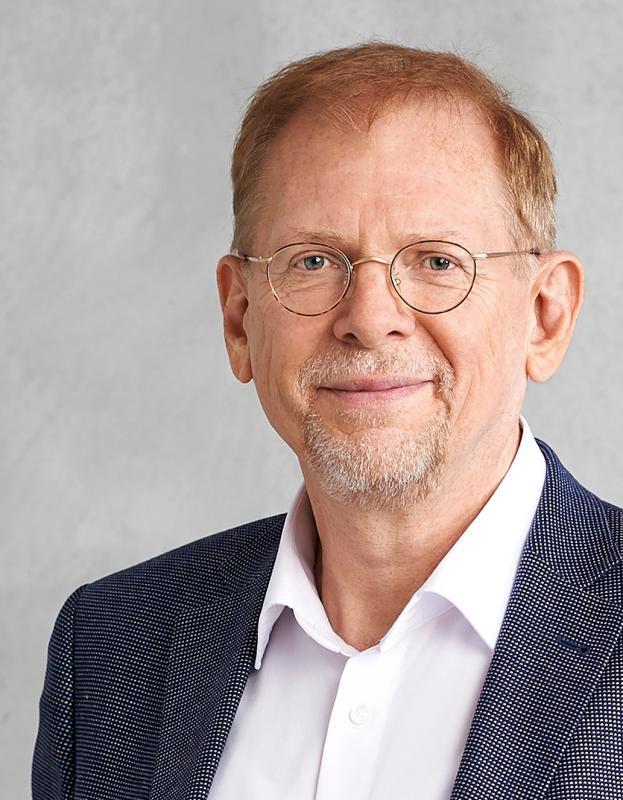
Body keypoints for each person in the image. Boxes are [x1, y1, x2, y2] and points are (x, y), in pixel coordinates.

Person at [33, 42, 623, 800]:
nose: (370, 319)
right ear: (239, 319)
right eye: (312, 261)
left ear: (545, 316)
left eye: (437, 261)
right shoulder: (110, 648)